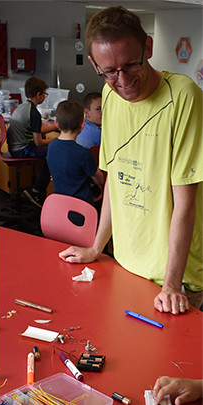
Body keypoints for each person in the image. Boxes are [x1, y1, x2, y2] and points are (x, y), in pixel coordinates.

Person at [58, 6, 203, 313]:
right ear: (95, 64)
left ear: (147, 48)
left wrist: (173, 286)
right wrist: (96, 247)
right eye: (109, 71)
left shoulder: (184, 96)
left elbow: (185, 201)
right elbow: (114, 177)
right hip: (125, 262)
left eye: (130, 65)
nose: (122, 80)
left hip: (174, 279)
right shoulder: (109, 97)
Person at [6, 77, 58, 208]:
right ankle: (36, 191)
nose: (45, 97)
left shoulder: (23, 107)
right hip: (22, 150)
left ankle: (36, 189)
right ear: (39, 94)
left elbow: (36, 130)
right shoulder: (34, 112)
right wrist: (54, 140)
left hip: (16, 147)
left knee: (51, 151)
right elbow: (39, 142)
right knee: (53, 153)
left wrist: (55, 127)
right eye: (45, 94)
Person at [47, 100, 104, 207]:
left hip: (59, 204)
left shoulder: (51, 146)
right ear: (82, 124)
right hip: (80, 206)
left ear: (56, 123)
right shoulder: (83, 153)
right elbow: (99, 179)